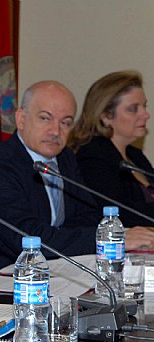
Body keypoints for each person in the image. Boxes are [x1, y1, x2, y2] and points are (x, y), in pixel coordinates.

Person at [0, 80, 154, 278]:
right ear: (21, 119)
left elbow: (88, 216)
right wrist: (108, 239)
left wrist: (65, 237)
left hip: (55, 274)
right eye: (45, 119)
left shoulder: (65, 158)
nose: (56, 131)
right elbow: (30, 238)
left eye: (66, 122)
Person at [69, 70, 154, 227]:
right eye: (133, 109)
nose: (146, 114)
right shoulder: (92, 157)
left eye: (144, 106)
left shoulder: (135, 155)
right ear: (106, 116)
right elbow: (118, 213)